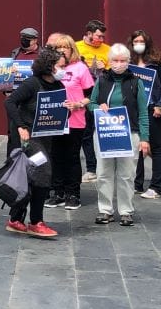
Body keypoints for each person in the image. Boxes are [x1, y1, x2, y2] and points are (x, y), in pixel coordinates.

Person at [2, 45, 63, 238]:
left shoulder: (58, 86)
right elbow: (9, 102)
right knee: (43, 172)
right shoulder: (32, 83)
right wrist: (20, 126)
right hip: (29, 138)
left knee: (31, 177)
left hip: (46, 137)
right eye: (60, 66)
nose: (63, 69)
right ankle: (36, 221)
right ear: (49, 66)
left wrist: (67, 107)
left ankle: (15, 218)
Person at [91, 44, 151, 227]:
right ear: (109, 61)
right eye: (115, 60)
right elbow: (91, 103)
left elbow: (143, 112)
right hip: (105, 132)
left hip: (129, 133)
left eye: (122, 60)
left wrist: (144, 138)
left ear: (128, 62)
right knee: (103, 173)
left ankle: (125, 211)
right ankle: (105, 210)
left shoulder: (136, 82)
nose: (118, 64)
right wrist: (98, 107)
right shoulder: (101, 80)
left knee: (126, 175)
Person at [44, 34, 95, 210]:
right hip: (54, 121)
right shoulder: (52, 68)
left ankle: (73, 194)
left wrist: (78, 104)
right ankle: (57, 192)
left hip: (75, 119)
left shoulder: (81, 68)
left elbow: (92, 95)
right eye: (58, 48)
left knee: (72, 157)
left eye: (65, 47)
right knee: (56, 157)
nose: (62, 50)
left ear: (72, 49)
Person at [129, 29, 161, 199]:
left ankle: (157, 187)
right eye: (136, 41)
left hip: (153, 110)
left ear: (147, 44)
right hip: (134, 111)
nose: (139, 44)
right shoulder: (128, 62)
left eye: (142, 41)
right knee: (137, 147)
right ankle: (137, 184)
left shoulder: (157, 63)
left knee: (155, 148)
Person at [75, 20, 110, 181]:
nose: (101, 39)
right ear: (89, 34)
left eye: (103, 36)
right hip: (83, 97)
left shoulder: (108, 50)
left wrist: (105, 69)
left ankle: (107, 168)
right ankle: (91, 168)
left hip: (102, 97)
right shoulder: (76, 47)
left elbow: (113, 75)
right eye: (98, 36)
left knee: (104, 133)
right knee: (86, 134)